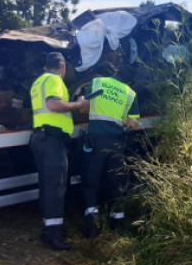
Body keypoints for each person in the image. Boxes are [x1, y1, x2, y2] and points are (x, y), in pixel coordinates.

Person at [29, 52, 89, 251]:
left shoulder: (38, 82)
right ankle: (52, 235)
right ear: (62, 67)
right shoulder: (54, 80)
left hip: (40, 137)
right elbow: (54, 105)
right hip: (52, 140)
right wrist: (78, 104)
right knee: (56, 187)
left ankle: (49, 227)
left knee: (47, 186)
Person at [82, 62, 140, 239]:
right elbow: (133, 123)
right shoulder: (130, 94)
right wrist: (119, 119)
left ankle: (92, 227)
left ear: (116, 70)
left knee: (91, 183)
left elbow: (84, 108)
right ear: (129, 81)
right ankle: (118, 225)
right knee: (116, 183)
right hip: (115, 143)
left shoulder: (97, 82)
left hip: (95, 141)